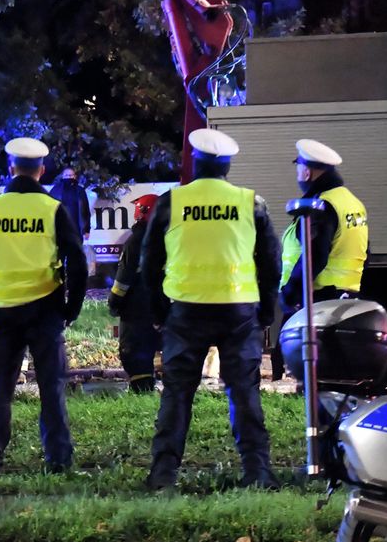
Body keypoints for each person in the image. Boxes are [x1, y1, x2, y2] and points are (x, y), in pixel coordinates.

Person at [140, 128, 282, 491]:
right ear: (227, 166)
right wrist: (267, 311)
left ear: (194, 162)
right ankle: (258, 472)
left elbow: (150, 262)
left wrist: (158, 311)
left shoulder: (172, 202)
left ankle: (163, 475)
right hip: (239, 313)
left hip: (185, 312)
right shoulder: (252, 203)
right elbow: (271, 263)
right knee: (244, 392)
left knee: (177, 393)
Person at [0, 138, 88, 478]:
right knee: (52, 389)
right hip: (45, 312)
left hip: (1, 313)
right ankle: (59, 462)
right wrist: (71, 308)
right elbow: (77, 261)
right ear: (41, 171)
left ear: (11, 169)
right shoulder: (53, 209)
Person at [270, 138, 368, 379]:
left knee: (313, 371)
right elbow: (364, 250)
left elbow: (315, 255)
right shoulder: (352, 203)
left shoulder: (321, 206)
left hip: (318, 297)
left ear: (307, 171)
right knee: (333, 369)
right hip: (345, 296)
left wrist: (290, 294)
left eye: (298, 167)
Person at [108, 193, 161, 392]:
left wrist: (114, 301)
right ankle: (150, 387)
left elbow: (124, 278)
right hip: (158, 306)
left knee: (133, 350)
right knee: (151, 348)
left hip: (135, 306)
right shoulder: (165, 239)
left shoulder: (136, 241)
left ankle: (142, 391)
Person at [48, 167, 92, 246]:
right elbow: (49, 210)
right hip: (60, 230)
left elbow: (86, 211)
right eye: (66, 175)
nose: (68, 177)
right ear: (62, 176)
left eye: (70, 175)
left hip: (76, 230)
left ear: (74, 176)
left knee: (75, 255)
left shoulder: (80, 190)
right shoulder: (55, 190)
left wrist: (87, 230)